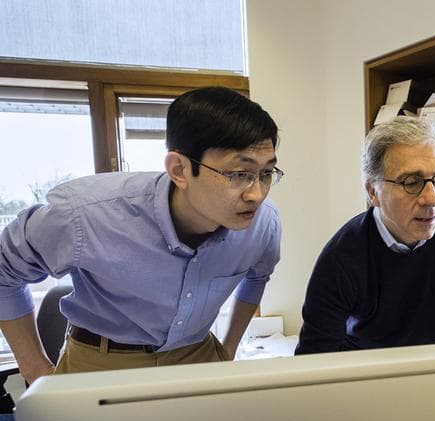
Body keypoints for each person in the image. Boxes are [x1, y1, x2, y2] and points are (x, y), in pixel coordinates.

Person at [0, 86, 283, 383]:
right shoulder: (84, 215)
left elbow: (257, 277)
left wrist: (228, 348)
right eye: (239, 174)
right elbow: (5, 272)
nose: (256, 194)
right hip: (102, 362)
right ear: (180, 169)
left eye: (266, 174)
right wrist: (36, 371)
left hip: (197, 355)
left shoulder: (263, 224)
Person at [295, 116, 435, 354]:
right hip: (364, 369)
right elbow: (314, 358)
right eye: (411, 182)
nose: (431, 199)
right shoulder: (342, 256)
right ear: (372, 192)